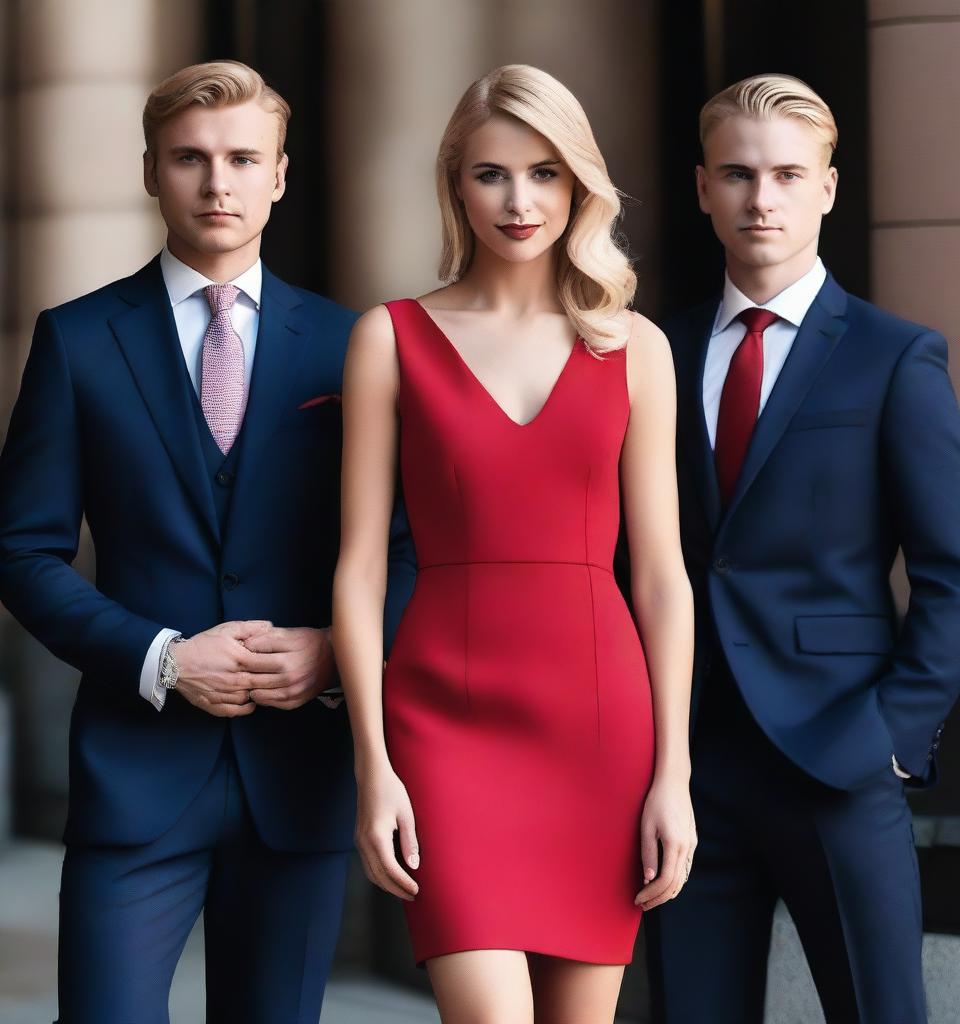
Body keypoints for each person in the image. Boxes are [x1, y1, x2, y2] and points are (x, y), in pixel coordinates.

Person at [0, 60, 414, 1023]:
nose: (216, 182)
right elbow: (21, 549)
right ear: (151, 170)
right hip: (134, 772)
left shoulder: (359, 343)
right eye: (189, 158)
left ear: (278, 174)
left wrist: (335, 655)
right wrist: (161, 657)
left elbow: (406, 543)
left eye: (240, 159)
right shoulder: (77, 339)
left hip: (299, 773)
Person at [332, 64, 696, 1023]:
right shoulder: (390, 337)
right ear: (456, 183)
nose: (519, 199)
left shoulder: (635, 348)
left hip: (599, 728)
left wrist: (674, 775)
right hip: (445, 728)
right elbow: (360, 568)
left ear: (580, 184)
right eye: (491, 173)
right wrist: (374, 764)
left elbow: (660, 576)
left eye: (544, 172)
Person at [647, 74, 960, 1023]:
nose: (763, 198)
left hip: (836, 756)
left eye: (789, 175)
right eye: (739, 174)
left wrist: (888, 737)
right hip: (684, 769)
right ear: (702, 188)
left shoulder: (893, 356)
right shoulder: (652, 352)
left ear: (828, 189)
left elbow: (958, 579)